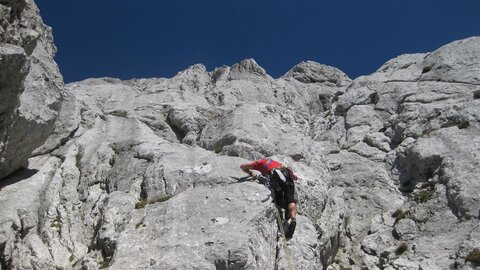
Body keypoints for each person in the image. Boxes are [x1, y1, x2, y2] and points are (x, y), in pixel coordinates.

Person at [240, 159, 298, 238]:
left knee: (279, 200)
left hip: (276, 178)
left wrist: (251, 173)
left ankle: (281, 216)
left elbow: (242, 166)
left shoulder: (259, 163)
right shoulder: (274, 162)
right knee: (291, 201)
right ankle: (293, 219)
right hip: (287, 176)